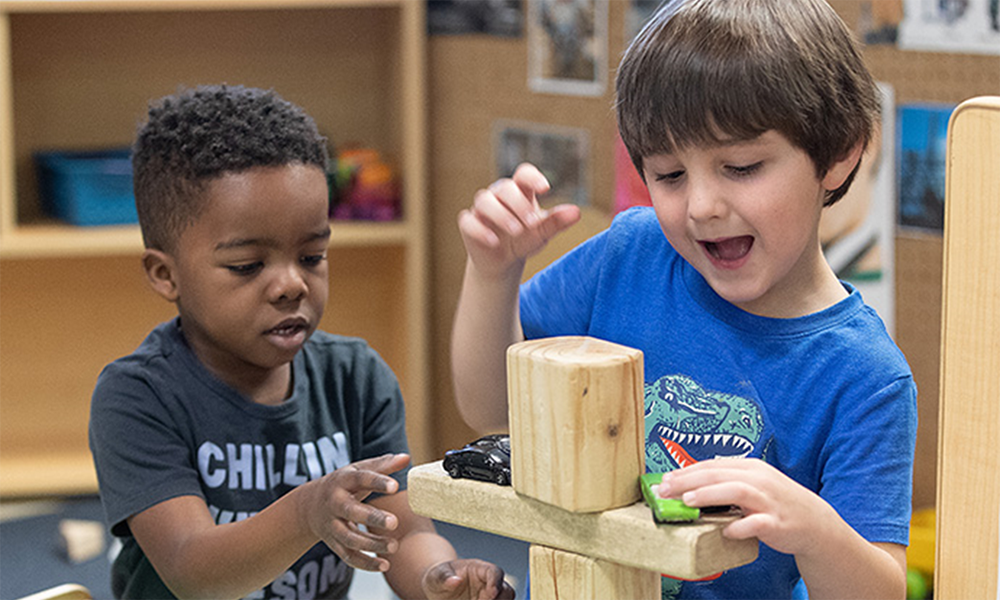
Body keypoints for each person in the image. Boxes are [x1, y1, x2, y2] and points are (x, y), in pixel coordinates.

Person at [450, 0, 916, 598]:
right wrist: (493, 275)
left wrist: (813, 529)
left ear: (840, 153)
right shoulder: (632, 253)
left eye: (741, 166)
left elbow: (879, 589)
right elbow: (490, 406)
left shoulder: (866, 377)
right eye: (669, 176)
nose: (701, 207)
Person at [89, 84, 515, 600]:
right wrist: (307, 511)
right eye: (247, 266)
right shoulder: (137, 395)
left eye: (312, 256)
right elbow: (192, 570)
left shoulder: (356, 377)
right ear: (165, 274)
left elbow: (405, 535)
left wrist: (440, 580)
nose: (292, 284)